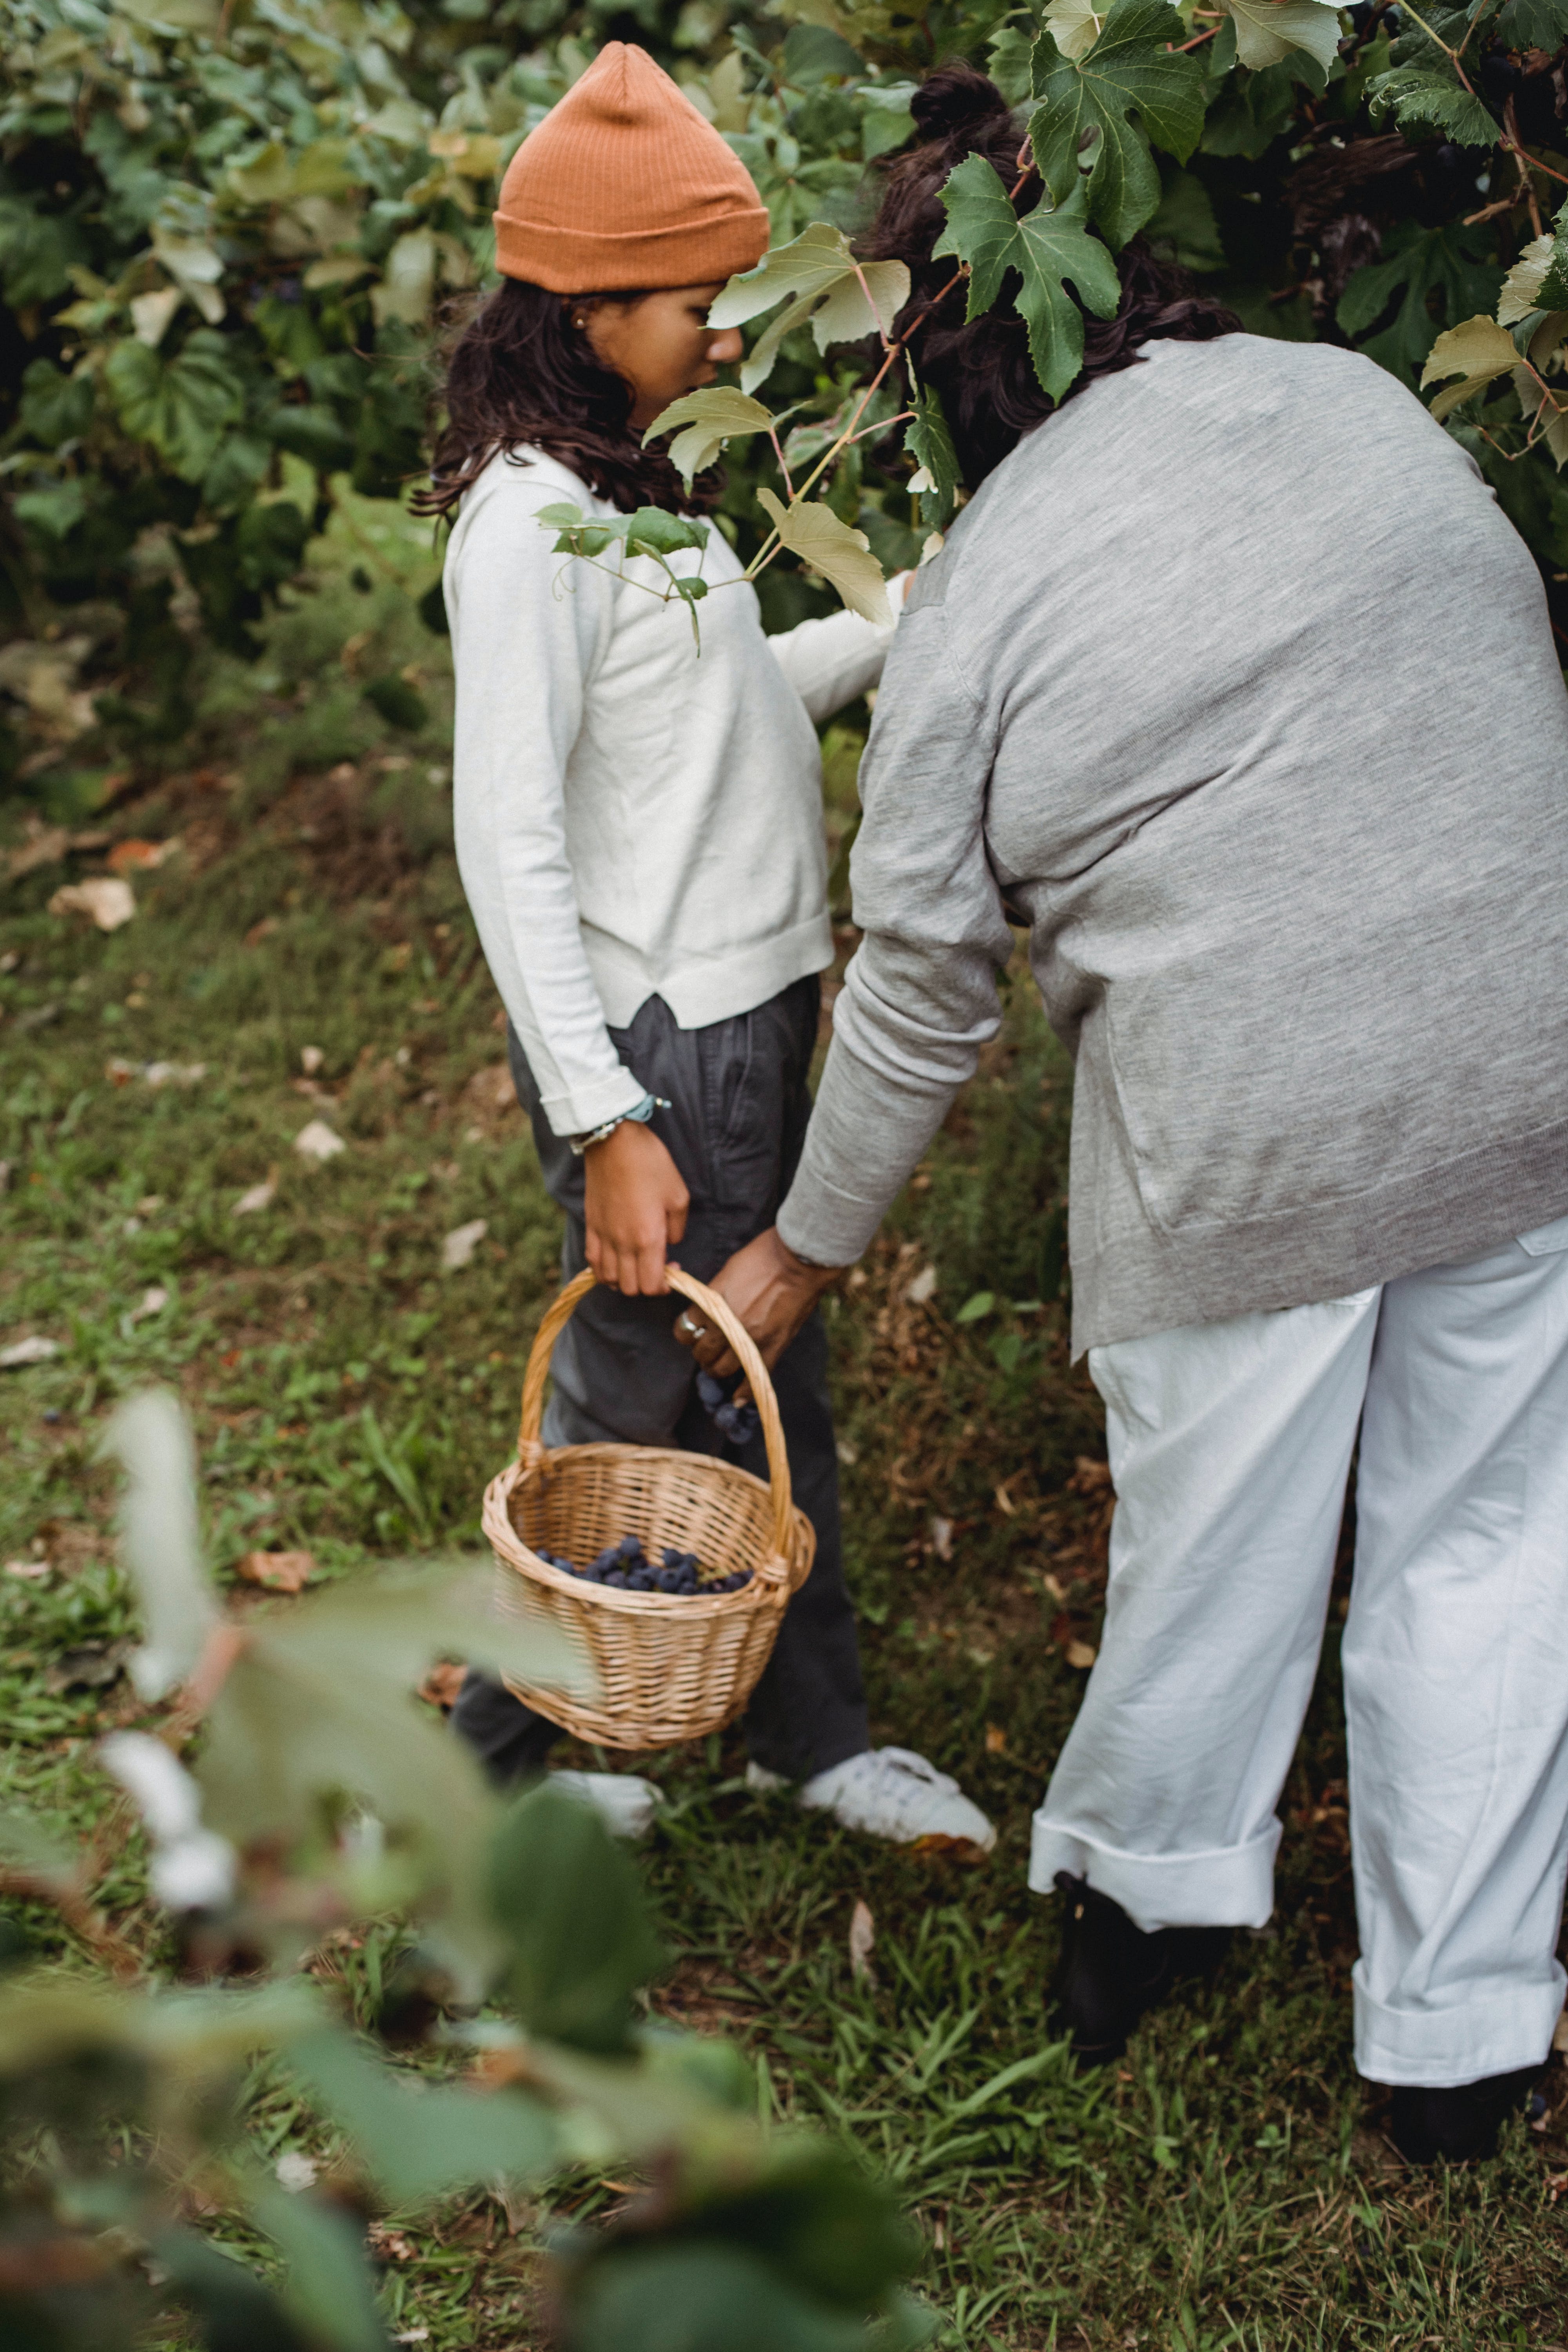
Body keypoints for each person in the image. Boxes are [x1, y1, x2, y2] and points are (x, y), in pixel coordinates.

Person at [683, 64, 1568, 2162]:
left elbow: (918, 986)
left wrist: (803, 1247)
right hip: (1534, 1047)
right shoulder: (1351, 395)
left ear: (930, 380)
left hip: (1249, 1124)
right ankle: (1457, 2042)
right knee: (1495, 1543)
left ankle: (1147, 1917)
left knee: (1222, 1549)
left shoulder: (986, 582)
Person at [429, 42, 993, 1854]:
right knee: (642, 1391)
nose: (735, 334)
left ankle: (773, 1724)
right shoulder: (528, 529)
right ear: (590, 311)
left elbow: (719, 711)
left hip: (748, 1006)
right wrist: (607, 1117)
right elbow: (507, 838)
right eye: (701, 301)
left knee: (757, 1381)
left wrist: (900, 627)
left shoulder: (642, 493)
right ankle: (498, 1784)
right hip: (662, 1041)